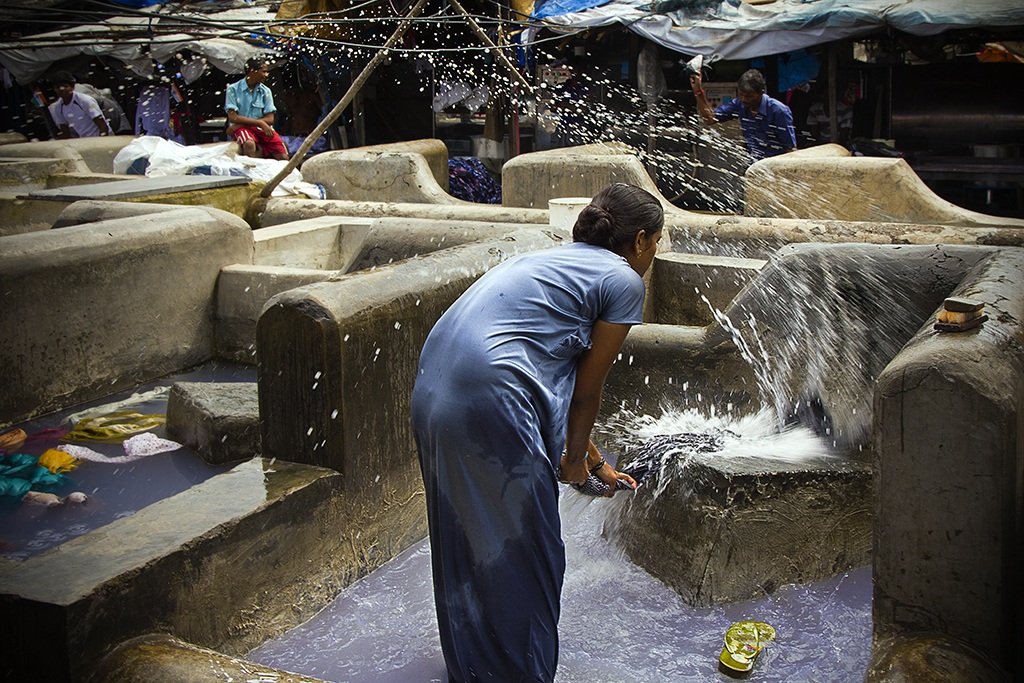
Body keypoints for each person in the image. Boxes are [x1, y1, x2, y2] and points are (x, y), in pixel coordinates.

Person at [411, 182, 663, 682]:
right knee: (533, 552)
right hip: (488, 395)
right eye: (657, 241)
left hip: (433, 389)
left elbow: (549, 381)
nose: (655, 252)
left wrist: (592, 458)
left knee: (464, 541)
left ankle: (474, 670)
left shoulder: (552, 261)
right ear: (638, 241)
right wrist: (571, 465)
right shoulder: (623, 280)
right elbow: (587, 391)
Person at [691, 68, 796, 161]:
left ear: (761, 92)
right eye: (741, 95)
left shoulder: (778, 111)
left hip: (774, 168)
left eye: (749, 96)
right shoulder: (739, 104)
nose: (744, 99)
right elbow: (710, 118)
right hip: (753, 167)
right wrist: (698, 91)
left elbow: (790, 149)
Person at [224, 58, 288, 160]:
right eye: (264, 71)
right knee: (249, 144)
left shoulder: (266, 91)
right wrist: (261, 123)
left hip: (257, 128)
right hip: (244, 129)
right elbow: (233, 117)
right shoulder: (233, 89)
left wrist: (242, 124)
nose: (266, 75)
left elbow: (270, 119)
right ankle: (250, 173)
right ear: (252, 71)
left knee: (283, 156)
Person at [47, 71, 110, 139]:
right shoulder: (58, 107)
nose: (62, 90)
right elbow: (65, 133)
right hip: (85, 141)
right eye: (58, 87)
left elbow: (103, 126)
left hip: (104, 136)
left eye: (65, 86)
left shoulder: (85, 101)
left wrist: (100, 142)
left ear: (72, 87)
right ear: (54, 89)